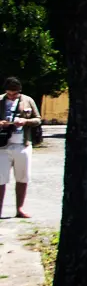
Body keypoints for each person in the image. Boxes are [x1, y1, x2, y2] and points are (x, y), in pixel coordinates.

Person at [1, 77, 41, 218]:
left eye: (15, 94)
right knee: (1, 179)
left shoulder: (27, 100)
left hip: (23, 144)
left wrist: (25, 121)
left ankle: (20, 209)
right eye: (9, 94)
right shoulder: (0, 100)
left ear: (19, 91)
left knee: (22, 178)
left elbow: (38, 119)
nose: (12, 96)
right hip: (2, 146)